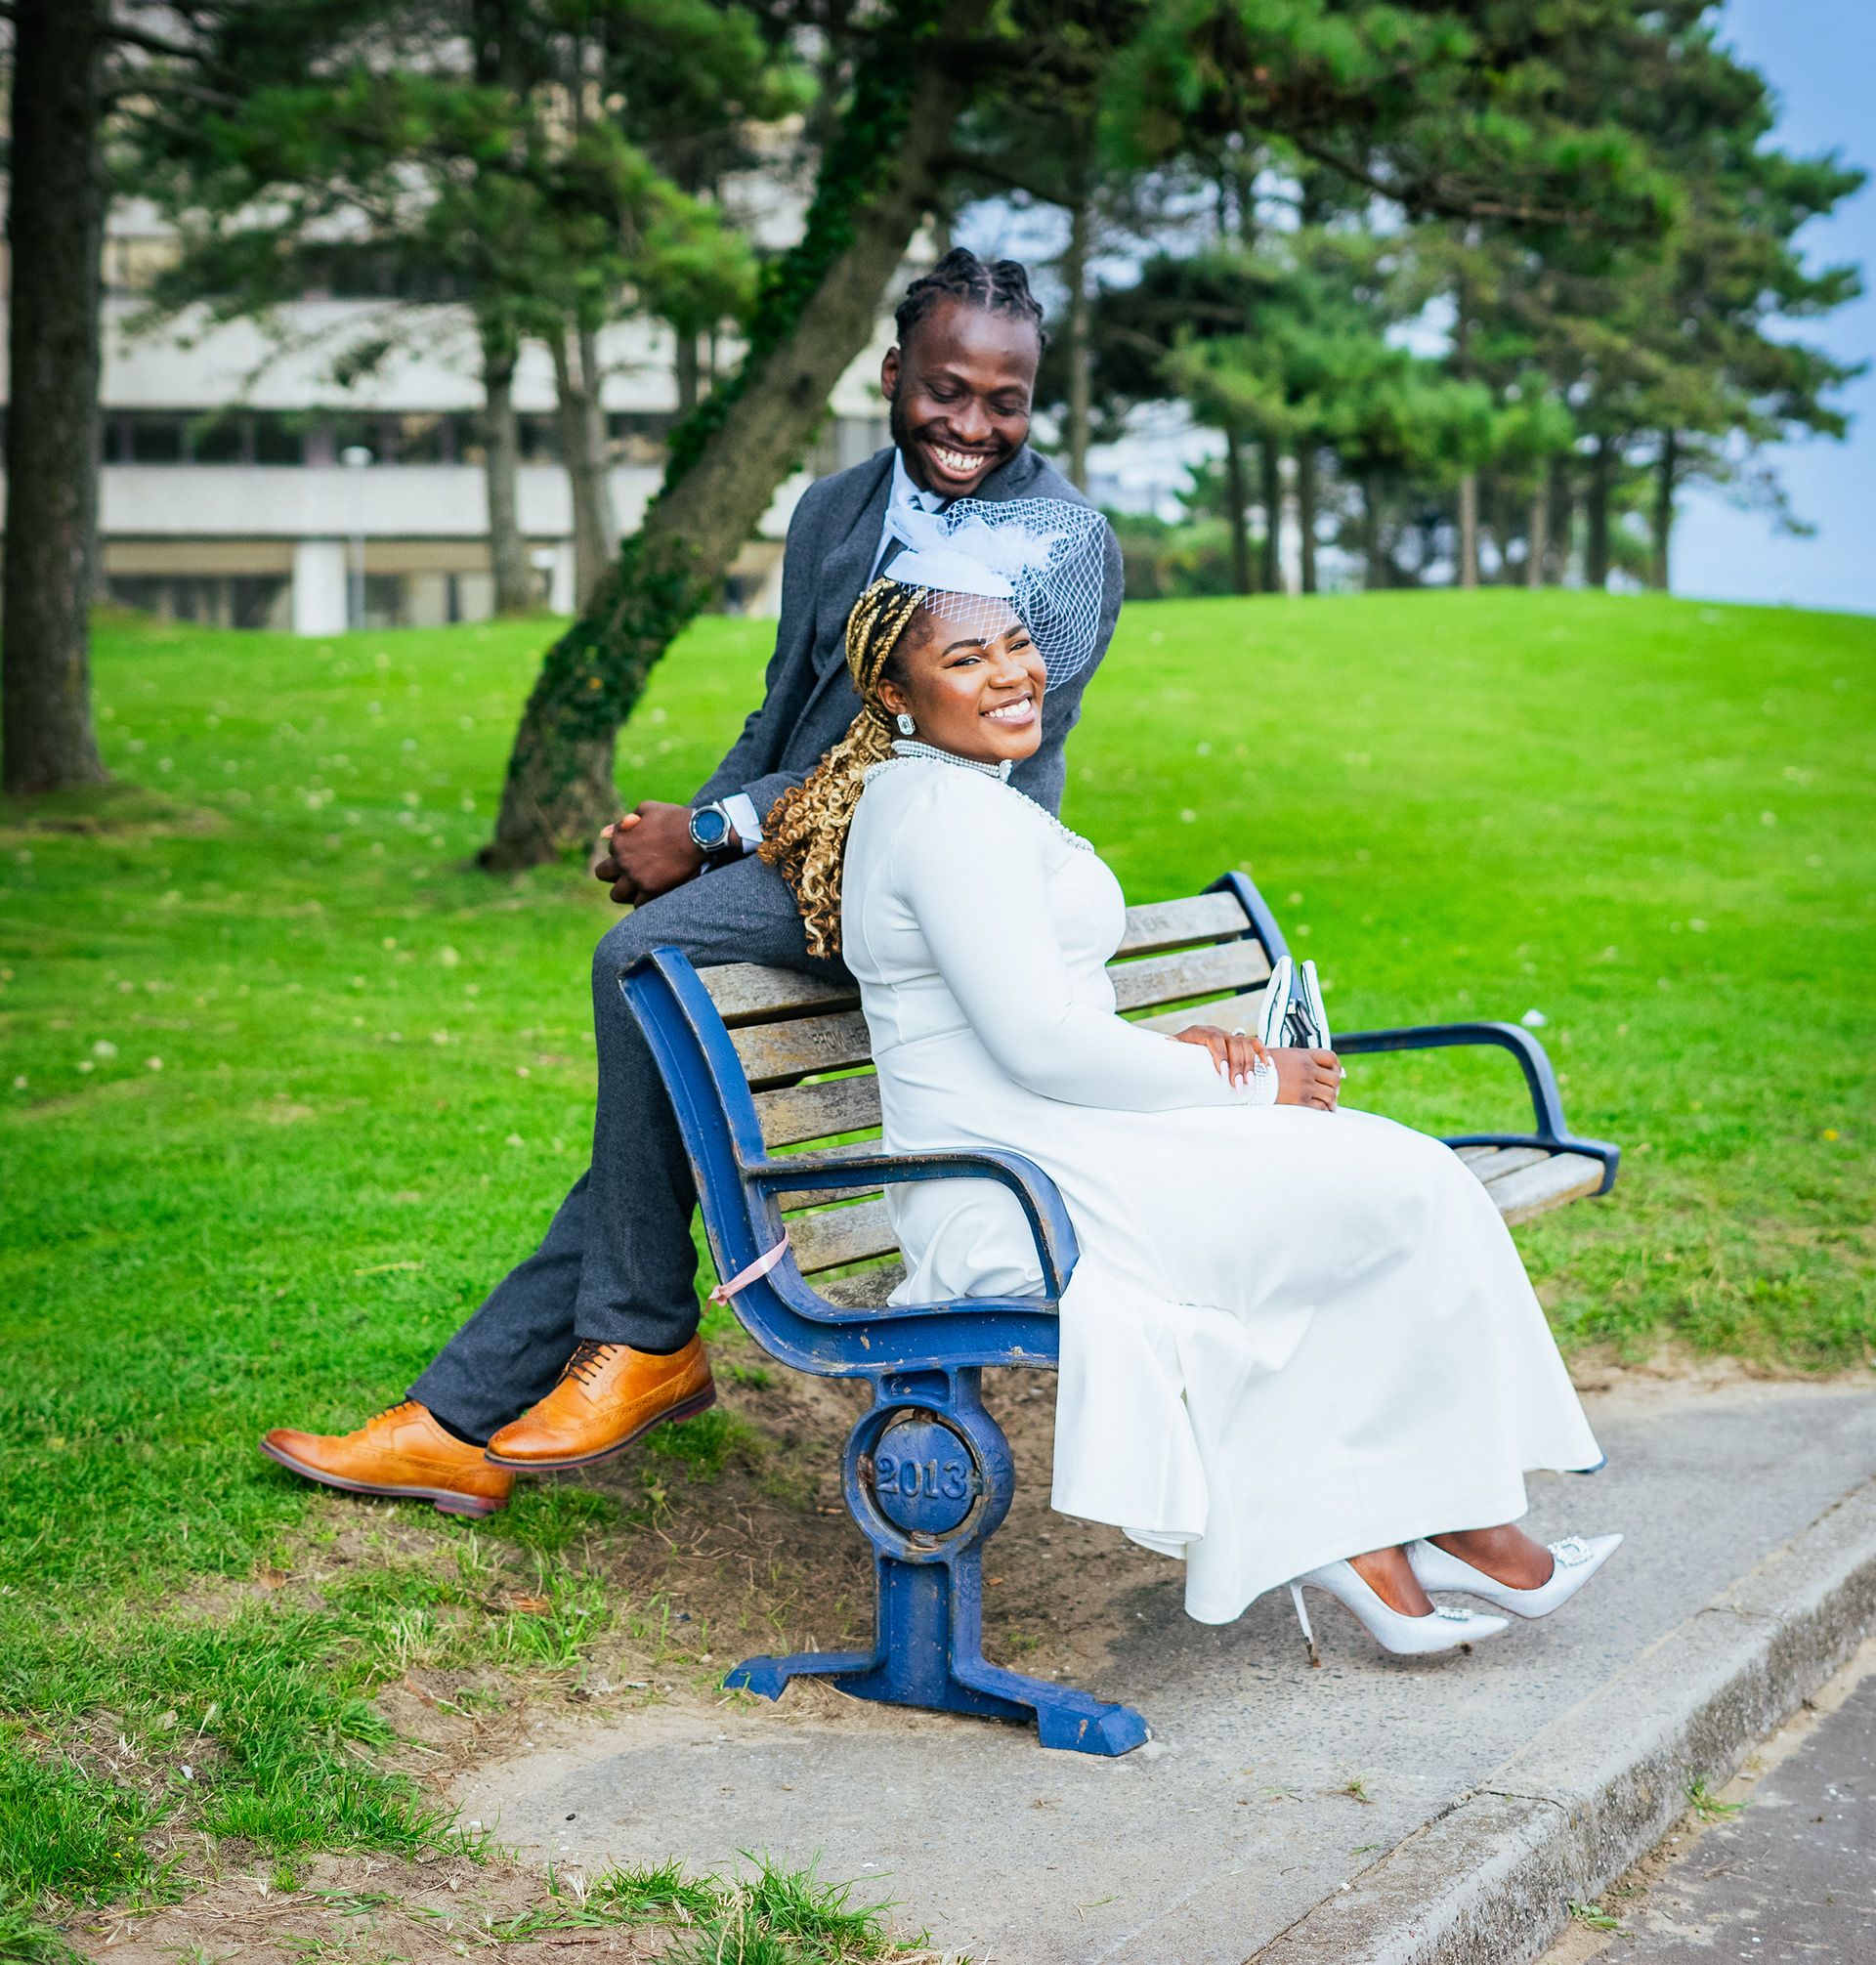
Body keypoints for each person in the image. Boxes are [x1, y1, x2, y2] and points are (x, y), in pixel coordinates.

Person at [259, 251, 1124, 1519]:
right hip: (821, 854)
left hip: (948, 873)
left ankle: (646, 1339)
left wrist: (712, 833)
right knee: (651, 1123)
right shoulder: (833, 509)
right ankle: (453, 1424)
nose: (973, 426)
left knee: (641, 964)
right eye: (947, 390)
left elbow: (920, 743)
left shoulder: (1058, 540)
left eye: (1008, 401)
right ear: (894, 373)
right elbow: (782, 719)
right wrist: (675, 838)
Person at [756, 498, 1622, 1656]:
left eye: (1016, 641)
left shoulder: (946, 797)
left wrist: (1188, 1049)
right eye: (965, 657)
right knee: (1401, 1187)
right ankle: (1431, 1530)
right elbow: (1040, 1044)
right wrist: (1254, 1087)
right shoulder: (947, 817)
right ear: (896, 694)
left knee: (1378, 1186)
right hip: (1014, 1184)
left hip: (1051, 1144)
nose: (1010, 672)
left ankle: (1413, 1531)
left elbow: (1035, 1016)